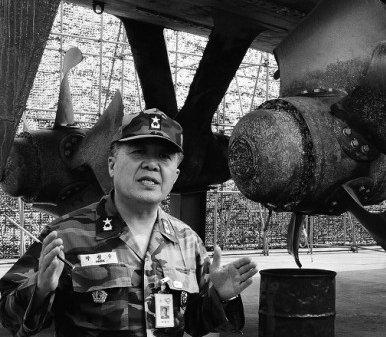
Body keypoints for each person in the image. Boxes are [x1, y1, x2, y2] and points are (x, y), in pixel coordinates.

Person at [0, 108, 258, 337]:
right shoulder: (65, 236)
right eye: (138, 151)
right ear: (111, 165)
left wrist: (221, 296)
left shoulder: (187, 242)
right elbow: (7, 317)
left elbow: (194, 323)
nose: (151, 164)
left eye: (164, 157)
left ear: (175, 175)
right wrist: (41, 289)